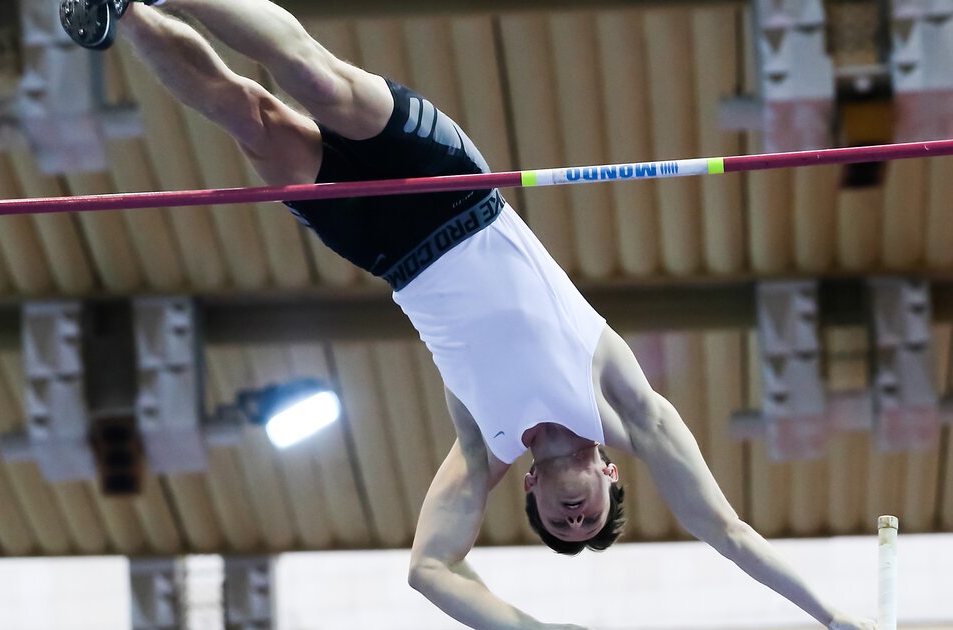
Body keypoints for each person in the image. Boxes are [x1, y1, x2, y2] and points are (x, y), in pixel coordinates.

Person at [62, 1, 876, 628]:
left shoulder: (478, 445)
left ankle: (122, 12)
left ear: (526, 490)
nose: (570, 518)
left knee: (254, 119)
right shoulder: (622, 398)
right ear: (608, 474)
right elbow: (729, 533)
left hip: (388, 250)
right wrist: (834, 615)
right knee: (317, 79)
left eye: (555, 525)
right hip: (456, 191)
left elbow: (428, 569)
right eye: (587, 515)